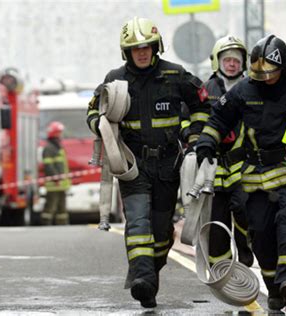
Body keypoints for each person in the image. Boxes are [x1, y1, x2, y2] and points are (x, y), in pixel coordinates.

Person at [195, 35, 286, 311]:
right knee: (260, 233)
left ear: (283, 67)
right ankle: (275, 287)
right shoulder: (244, 90)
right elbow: (218, 118)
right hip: (254, 177)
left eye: (270, 74)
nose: (264, 80)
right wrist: (206, 142)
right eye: (259, 74)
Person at [86, 17, 208, 308]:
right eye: (135, 49)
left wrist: (194, 134)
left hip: (168, 165)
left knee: (162, 230)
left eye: (147, 47)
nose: (141, 53)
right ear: (125, 52)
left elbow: (203, 106)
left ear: (156, 48)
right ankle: (142, 280)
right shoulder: (115, 80)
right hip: (133, 165)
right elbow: (93, 111)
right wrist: (100, 125)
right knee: (138, 222)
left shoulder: (176, 76)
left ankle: (149, 276)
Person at [203, 35, 254, 267]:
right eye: (227, 60)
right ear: (218, 62)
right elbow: (193, 119)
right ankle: (220, 269)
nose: (232, 64)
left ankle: (245, 252)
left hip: (244, 166)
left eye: (236, 60)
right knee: (217, 221)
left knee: (245, 210)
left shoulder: (253, 88)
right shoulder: (206, 90)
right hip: (213, 167)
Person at [41, 121, 71, 225]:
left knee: (62, 207)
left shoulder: (57, 146)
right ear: (55, 134)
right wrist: (56, 178)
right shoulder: (49, 148)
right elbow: (48, 166)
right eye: (60, 133)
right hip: (54, 184)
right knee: (50, 205)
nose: (61, 135)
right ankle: (46, 224)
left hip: (61, 184)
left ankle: (62, 224)